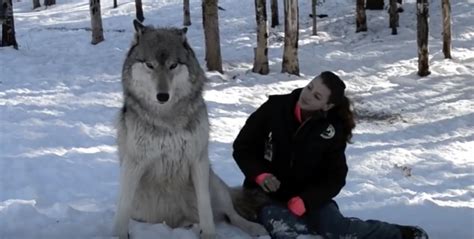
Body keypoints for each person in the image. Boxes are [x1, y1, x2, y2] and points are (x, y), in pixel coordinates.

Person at [232, 71, 428, 239]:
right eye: (309, 87)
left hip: (309, 198)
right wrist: (260, 175)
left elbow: (335, 177)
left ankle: (400, 234)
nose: (307, 95)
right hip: (265, 197)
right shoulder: (274, 108)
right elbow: (243, 147)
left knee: (338, 230)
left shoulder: (332, 129)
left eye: (317, 96)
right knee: (287, 232)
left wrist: (306, 200)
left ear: (326, 106)